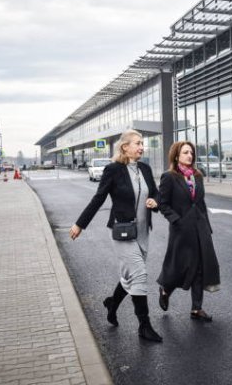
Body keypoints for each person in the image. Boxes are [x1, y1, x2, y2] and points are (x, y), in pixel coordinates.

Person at [69, 130, 163, 342]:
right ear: (125, 147)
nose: (141, 147)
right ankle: (144, 325)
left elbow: (155, 193)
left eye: (142, 143)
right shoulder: (113, 170)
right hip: (123, 232)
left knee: (130, 275)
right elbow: (98, 198)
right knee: (139, 275)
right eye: (137, 143)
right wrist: (79, 224)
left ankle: (112, 303)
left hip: (142, 232)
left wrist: (155, 202)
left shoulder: (145, 169)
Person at [157, 141, 220, 322]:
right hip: (181, 230)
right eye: (185, 152)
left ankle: (196, 308)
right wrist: (176, 220)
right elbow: (162, 203)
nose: (190, 156)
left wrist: (206, 227)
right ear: (176, 156)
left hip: (200, 229)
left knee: (199, 268)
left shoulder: (197, 176)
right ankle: (165, 289)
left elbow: (200, 203)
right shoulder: (169, 177)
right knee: (180, 267)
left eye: (191, 153)